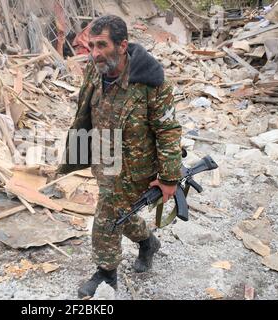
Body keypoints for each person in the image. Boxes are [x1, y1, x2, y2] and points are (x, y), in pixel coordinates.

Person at [57, 15, 182, 298]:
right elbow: (86, 109)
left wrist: (170, 177)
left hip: (138, 166)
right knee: (120, 214)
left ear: (122, 45)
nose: (95, 53)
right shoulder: (95, 69)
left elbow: (168, 130)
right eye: (91, 46)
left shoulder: (152, 83)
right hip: (104, 159)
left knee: (107, 215)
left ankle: (106, 273)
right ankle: (148, 242)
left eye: (102, 45)